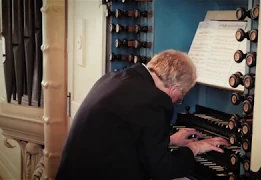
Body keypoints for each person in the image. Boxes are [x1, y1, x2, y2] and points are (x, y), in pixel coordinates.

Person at [56, 49, 230, 180]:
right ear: (175, 89)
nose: (177, 101)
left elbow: (122, 135)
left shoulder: (113, 78)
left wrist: (169, 140)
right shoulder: (153, 100)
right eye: (180, 98)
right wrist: (195, 148)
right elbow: (161, 170)